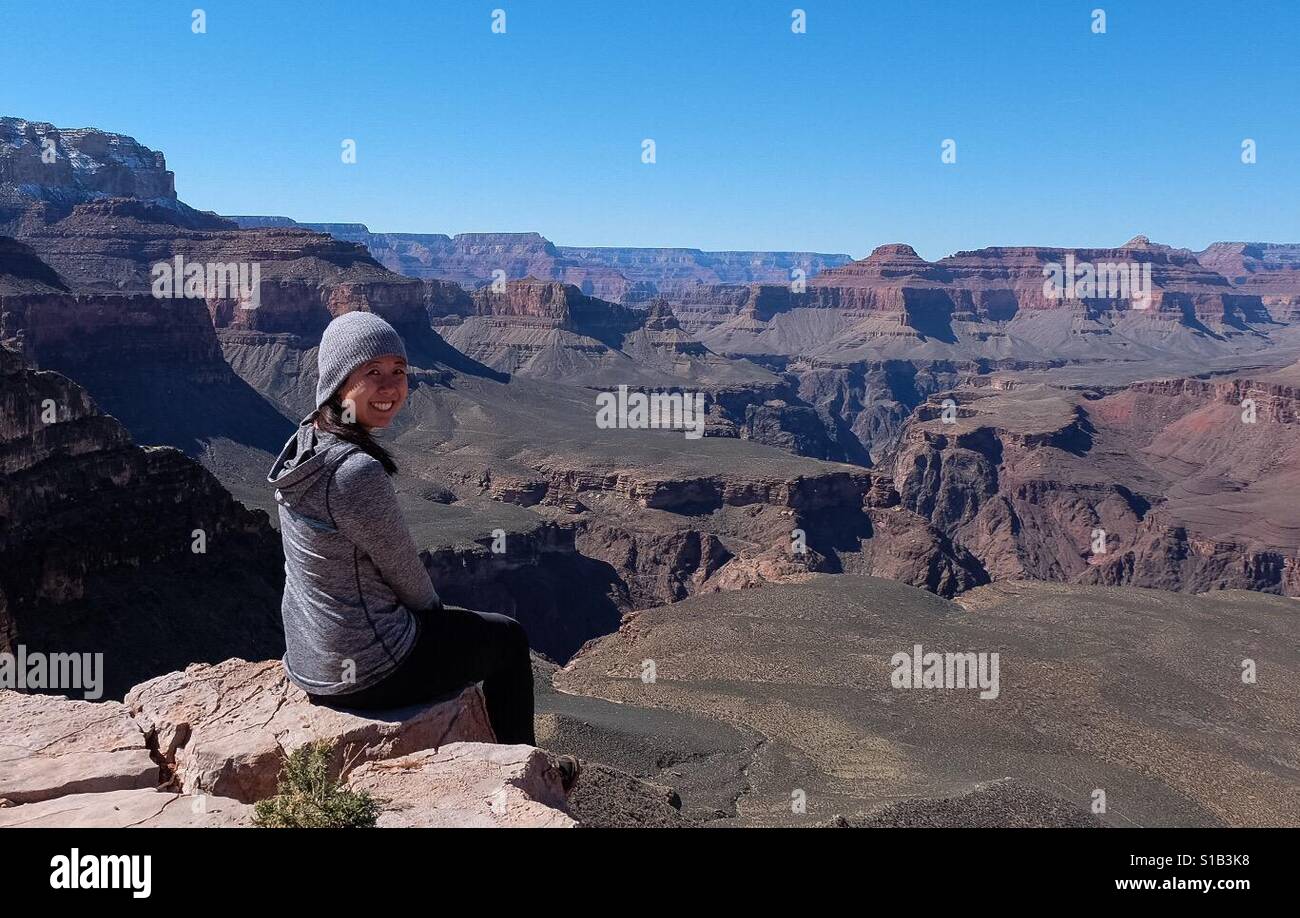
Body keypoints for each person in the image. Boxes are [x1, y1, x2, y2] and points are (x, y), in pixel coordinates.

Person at [266, 311, 576, 786]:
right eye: (373, 372)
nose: (391, 386)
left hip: (310, 658)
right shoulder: (355, 472)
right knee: (509, 640)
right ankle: (529, 773)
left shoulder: (304, 443)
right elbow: (406, 577)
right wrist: (436, 620)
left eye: (399, 370)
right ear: (338, 381)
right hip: (368, 670)